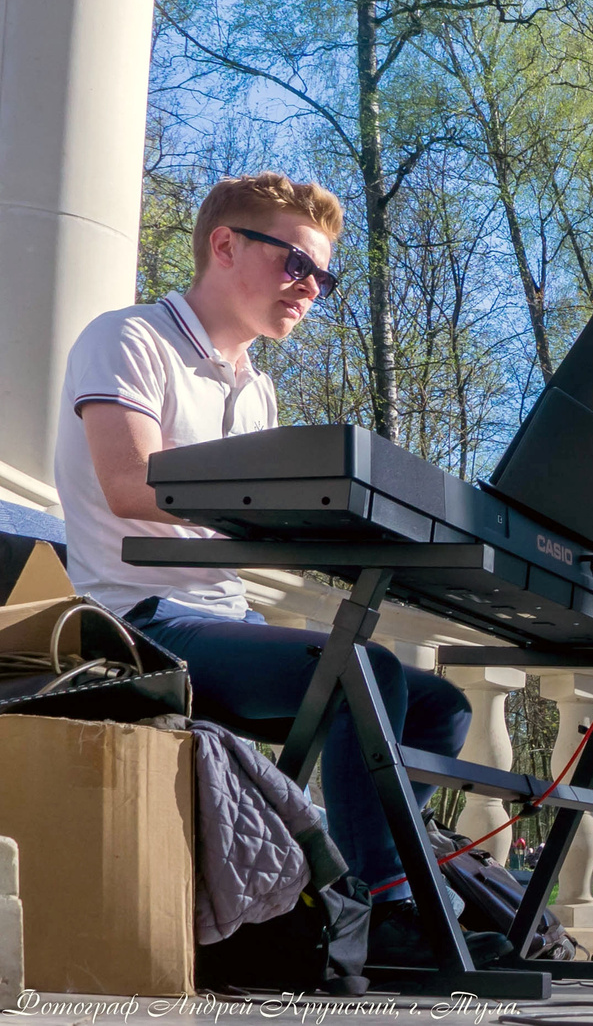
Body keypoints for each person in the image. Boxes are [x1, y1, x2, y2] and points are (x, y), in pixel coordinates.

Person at [56, 173, 472, 970]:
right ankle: (381, 908)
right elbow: (128, 482)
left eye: (324, 275)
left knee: (439, 706)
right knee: (365, 670)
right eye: (295, 265)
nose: (311, 288)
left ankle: (368, 885)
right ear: (224, 247)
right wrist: (280, 514)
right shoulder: (130, 339)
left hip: (225, 620)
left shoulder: (259, 390)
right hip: (139, 621)